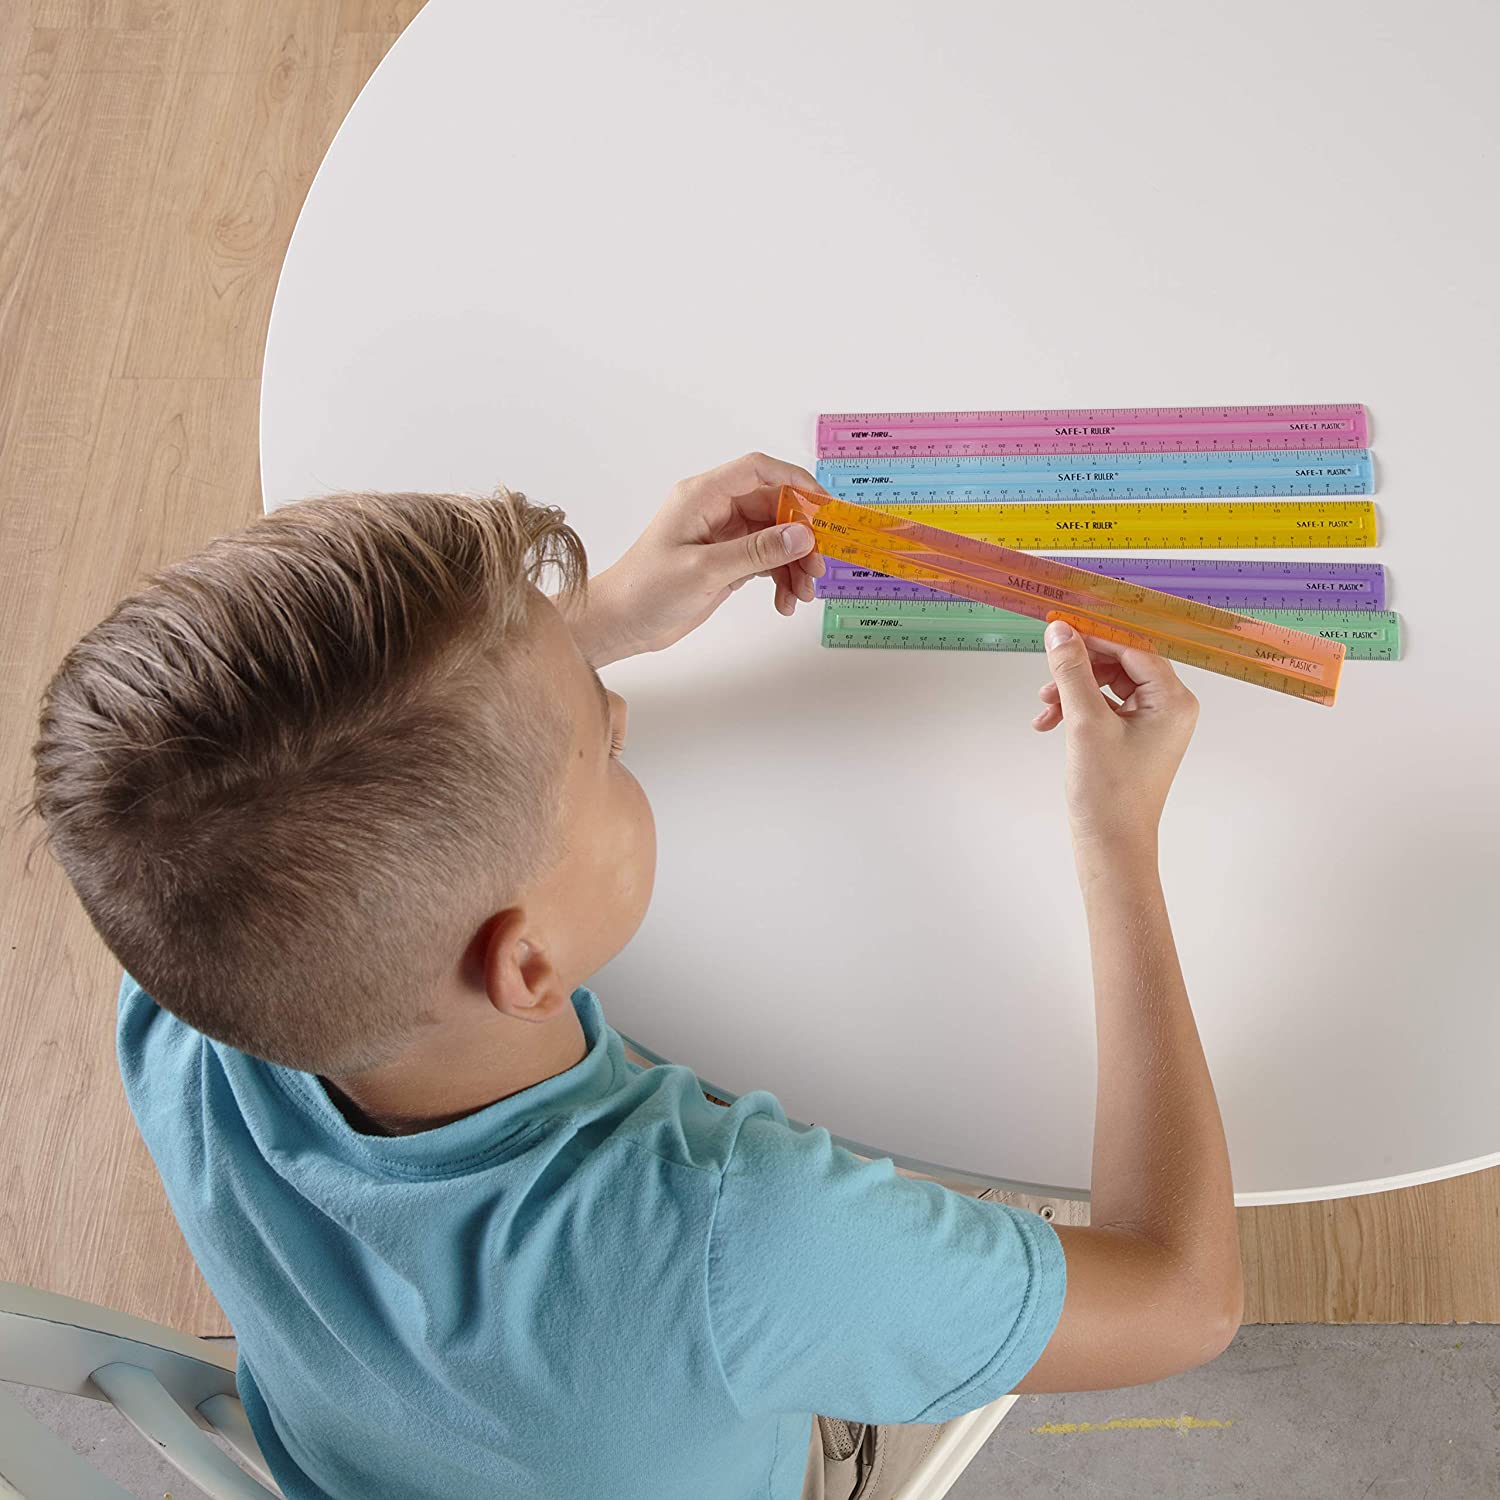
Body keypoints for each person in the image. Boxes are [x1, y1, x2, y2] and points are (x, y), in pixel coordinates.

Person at [30, 452, 1241, 1500]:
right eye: (604, 747)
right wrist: (1117, 841)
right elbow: (1185, 1302)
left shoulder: (184, 976)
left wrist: (594, 618)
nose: (620, 718)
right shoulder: (750, 1235)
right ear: (526, 964)